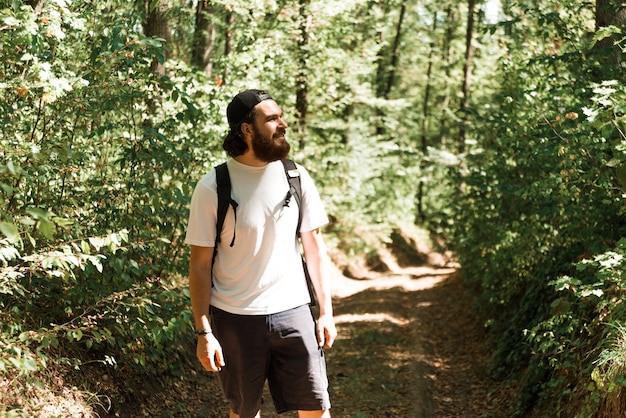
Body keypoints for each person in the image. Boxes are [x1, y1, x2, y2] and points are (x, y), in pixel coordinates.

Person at [185, 89, 337, 418]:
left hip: (295, 313)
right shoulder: (212, 188)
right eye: (272, 119)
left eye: (280, 116)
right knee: (245, 414)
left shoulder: (296, 176)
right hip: (235, 320)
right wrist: (204, 332)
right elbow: (198, 267)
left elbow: (314, 249)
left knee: (316, 410)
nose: (282, 124)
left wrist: (325, 311)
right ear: (247, 129)